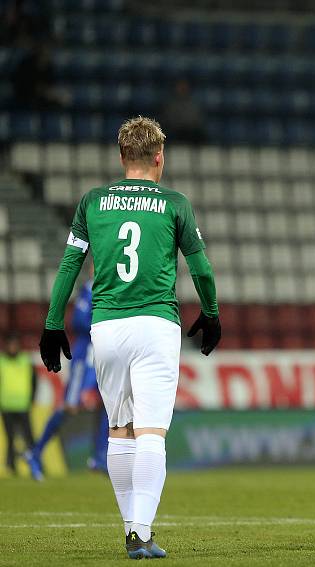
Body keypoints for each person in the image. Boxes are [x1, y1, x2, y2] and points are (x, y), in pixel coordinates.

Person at [39, 116, 221, 559]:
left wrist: (51, 323)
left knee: (119, 430)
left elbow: (68, 266)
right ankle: (139, 530)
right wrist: (211, 312)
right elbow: (200, 267)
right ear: (160, 157)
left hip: (106, 327)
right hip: (156, 323)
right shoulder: (175, 202)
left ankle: (134, 530)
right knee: (151, 432)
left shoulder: (93, 201)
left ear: (122, 157)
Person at [26, 273, 110, 477]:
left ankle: (100, 458)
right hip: (85, 359)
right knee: (70, 407)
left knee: (109, 405)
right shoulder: (90, 289)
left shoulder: (111, 287)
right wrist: (103, 324)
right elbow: (78, 321)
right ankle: (35, 452)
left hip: (104, 355)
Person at [0, 333, 41, 479]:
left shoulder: (26, 361)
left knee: (29, 438)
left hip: (23, 406)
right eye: (10, 345)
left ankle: (36, 465)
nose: (12, 347)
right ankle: (11, 466)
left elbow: (34, 381)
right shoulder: (2, 361)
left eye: (14, 344)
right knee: (10, 438)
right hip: (6, 406)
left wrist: (32, 399)